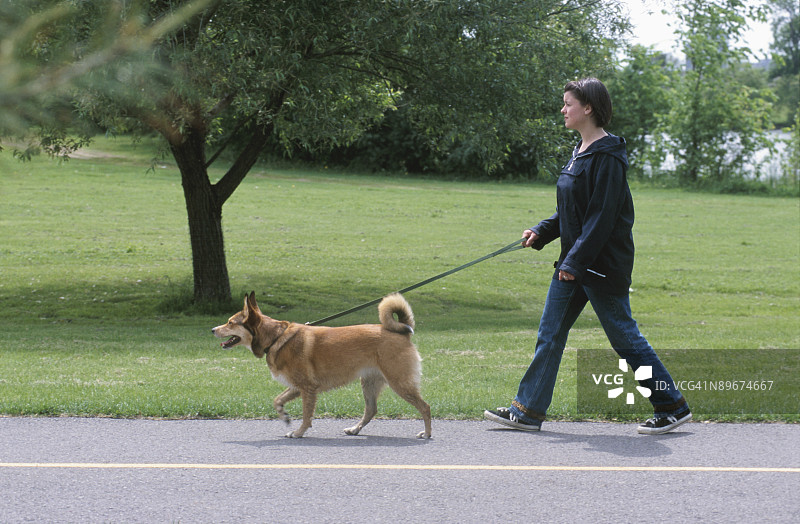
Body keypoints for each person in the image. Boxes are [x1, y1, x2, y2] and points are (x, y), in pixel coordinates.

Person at [484, 78, 691, 435]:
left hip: (600, 266)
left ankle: (671, 405)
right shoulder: (581, 151)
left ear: (588, 108)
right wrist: (543, 231)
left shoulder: (607, 155)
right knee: (550, 335)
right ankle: (528, 409)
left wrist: (574, 263)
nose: (563, 110)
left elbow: (602, 216)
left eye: (568, 103)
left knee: (624, 338)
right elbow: (573, 209)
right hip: (575, 263)